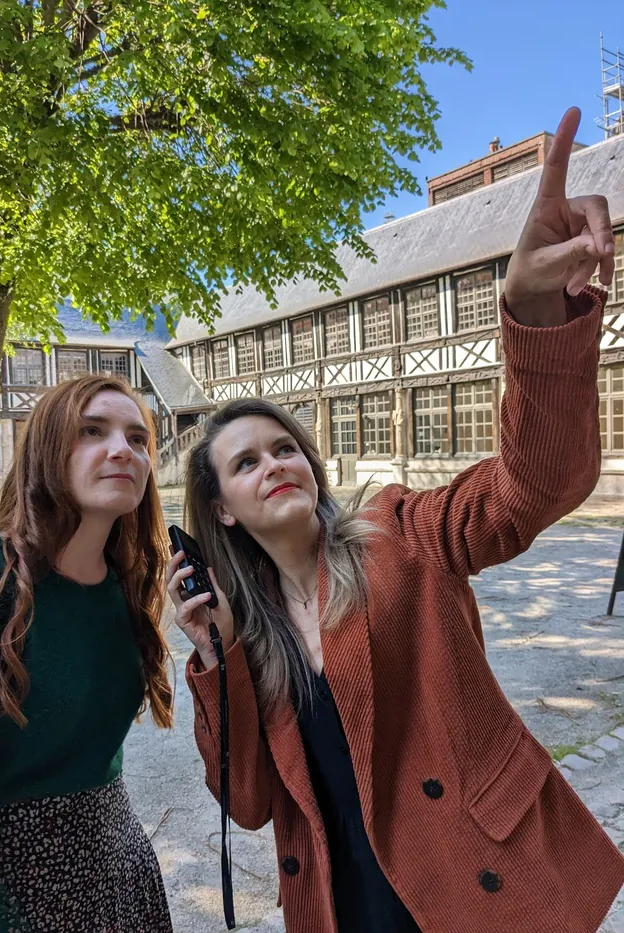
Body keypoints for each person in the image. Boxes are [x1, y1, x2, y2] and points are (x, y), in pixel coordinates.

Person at [167, 106, 624, 933]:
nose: (275, 464)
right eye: (246, 462)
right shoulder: (248, 631)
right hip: (347, 904)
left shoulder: (402, 533)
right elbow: (249, 805)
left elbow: (532, 486)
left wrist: (531, 312)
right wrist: (210, 654)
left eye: (285, 448)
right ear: (223, 513)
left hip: (470, 880)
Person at [0, 374, 174, 933]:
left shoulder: (125, 587)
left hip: (120, 872)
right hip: (6, 889)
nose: (122, 450)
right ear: (45, 451)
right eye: (92, 430)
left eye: (138, 439)